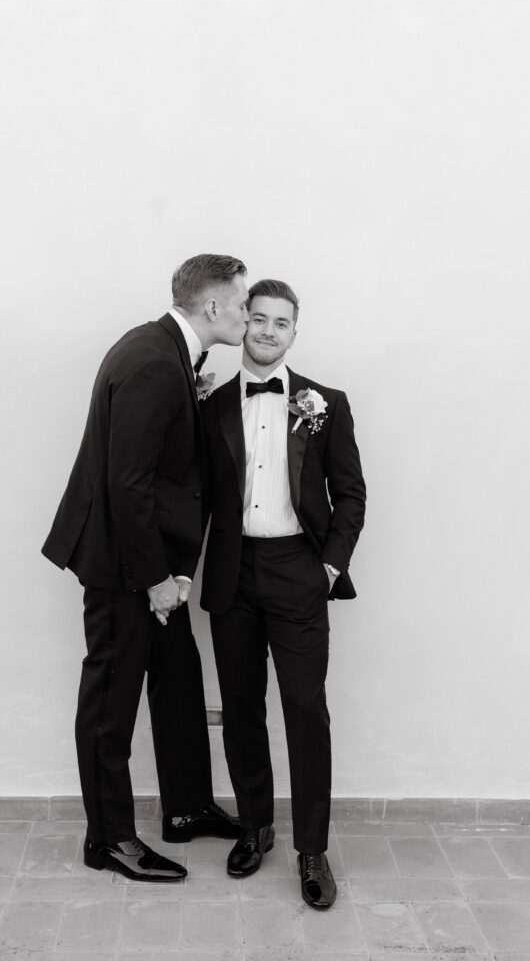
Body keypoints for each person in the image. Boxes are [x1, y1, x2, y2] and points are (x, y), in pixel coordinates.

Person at [42, 254, 249, 882]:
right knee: (111, 702)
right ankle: (107, 840)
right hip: (122, 566)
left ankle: (185, 809)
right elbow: (127, 484)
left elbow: (159, 474)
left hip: (154, 559)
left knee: (178, 680)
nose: (246, 313)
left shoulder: (165, 350)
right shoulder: (156, 363)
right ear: (213, 306)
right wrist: (157, 579)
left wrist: (174, 573)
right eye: (242, 302)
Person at [200, 279, 366, 908]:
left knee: (304, 709)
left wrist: (328, 566)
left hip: (298, 569)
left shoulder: (327, 402)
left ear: (295, 332)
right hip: (232, 572)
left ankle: (312, 849)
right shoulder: (210, 406)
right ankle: (255, 825)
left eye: (281, 323)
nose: (268, 331)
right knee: (241, 709)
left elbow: (351, 493)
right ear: (243, 323)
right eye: (259, 319)